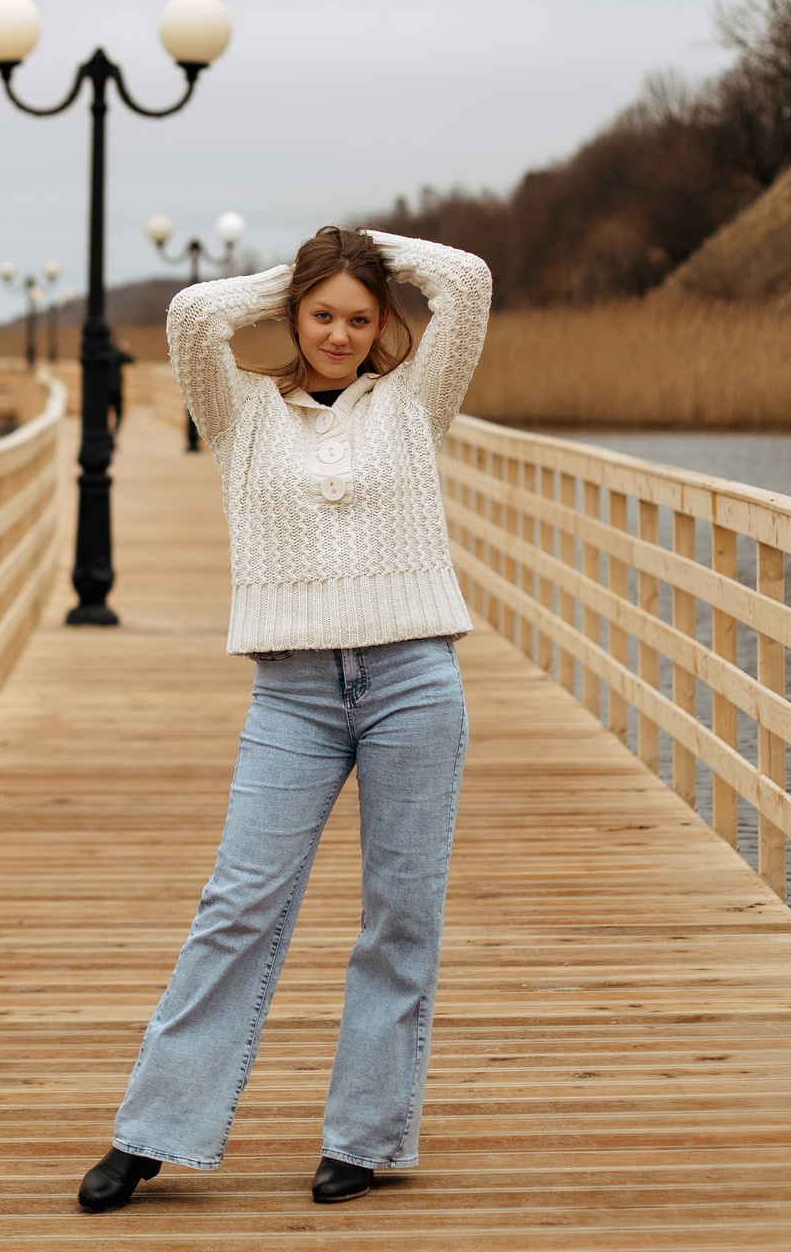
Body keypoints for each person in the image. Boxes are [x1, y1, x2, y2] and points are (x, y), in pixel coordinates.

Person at [76, 225, 493, 1213]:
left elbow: (467, 282)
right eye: (321, 313)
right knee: (238, 900)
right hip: (293, 693)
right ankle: (151, 1132)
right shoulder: (236, 412)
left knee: (400, 911)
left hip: (412, 681)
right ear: (292, 314)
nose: (340, 334)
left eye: (358, 317)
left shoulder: (414, 401)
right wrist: (301, 267)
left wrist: (369, 255)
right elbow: (190, 314)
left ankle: (363, 1135)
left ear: (382, 321)